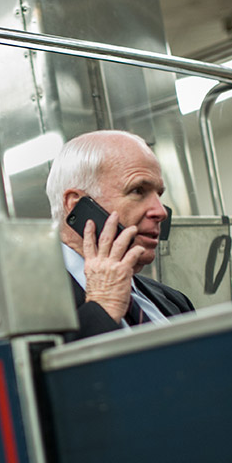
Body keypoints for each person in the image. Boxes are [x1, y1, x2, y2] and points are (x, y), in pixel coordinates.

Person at [46, 130, 195, 340]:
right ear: (77, 205)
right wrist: (101, 307)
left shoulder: (174, 301)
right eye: (137, 191)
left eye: (158, 195)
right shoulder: (27, 303)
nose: (161, 212)